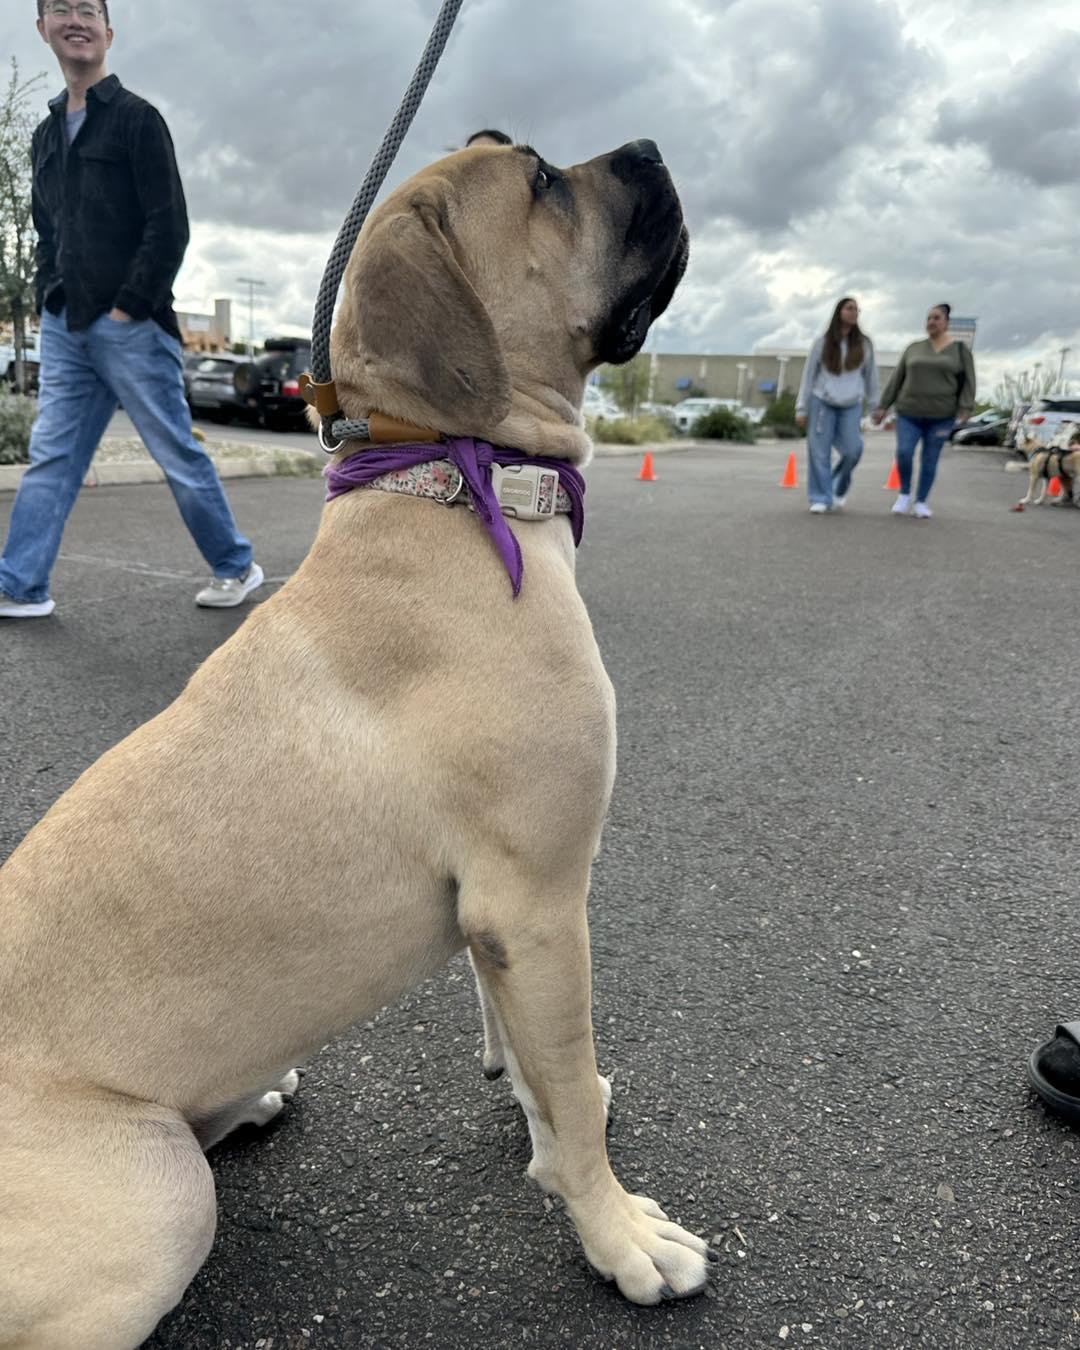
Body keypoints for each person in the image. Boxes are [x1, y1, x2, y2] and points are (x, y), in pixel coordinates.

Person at [0, 1, 262, 619]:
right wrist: (48, 301)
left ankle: (235, 567)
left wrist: (127, 309)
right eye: (60, 9)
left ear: (107, 32)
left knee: (176, 452)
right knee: (53, 456)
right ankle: (20, 585)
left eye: (88, 9)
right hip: (66, 325)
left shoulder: (137, 120)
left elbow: (169, 225)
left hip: (131, 327)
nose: (75, 19)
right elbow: (46, 230)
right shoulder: (43, 136)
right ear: (43, 30)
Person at [872, 303, 976, 519]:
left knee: (930, 458)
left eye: (936, 318)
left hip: (941, 416)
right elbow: (897, 378)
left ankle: (921, 501)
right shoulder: (914, 348)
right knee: (904, 452)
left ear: (946, 323)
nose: (931, 322)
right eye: (928, 318)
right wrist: (883, 405)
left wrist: (965, 407)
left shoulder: (959, 350)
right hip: (909, 412)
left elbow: (969, 381)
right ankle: (904, 494)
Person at [795, 297, 880, 514]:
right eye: (849, 308)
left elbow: (871, 377)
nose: (854, 312)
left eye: (856, 309)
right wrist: (801, 407)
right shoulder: (822, 342)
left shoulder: (865, 344)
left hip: (851, 404)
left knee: (853, 450)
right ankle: (821, 497)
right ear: (839, 312)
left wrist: (875, 406)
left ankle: (838, 487)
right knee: (819, 452)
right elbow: (808, 376)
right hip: (822, 402)